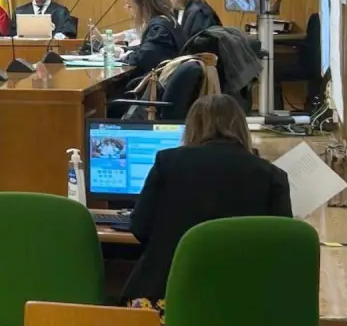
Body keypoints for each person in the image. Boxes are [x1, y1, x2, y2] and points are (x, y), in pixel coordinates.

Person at [122, 93, 292, 313]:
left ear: (192, 127)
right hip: (241, 303)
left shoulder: (167, 162)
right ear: (242, 127)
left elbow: (139, 227)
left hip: (165, 298)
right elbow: (279, 246)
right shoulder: (272, 175)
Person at [116, 0, 182, 74]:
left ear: (143, 6)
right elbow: (147, 47)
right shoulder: (165, 20)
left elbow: (144, 58)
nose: (127, 10)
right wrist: (124, 50)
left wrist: (124, 57)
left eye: (130, 6)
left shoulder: (159, 28)